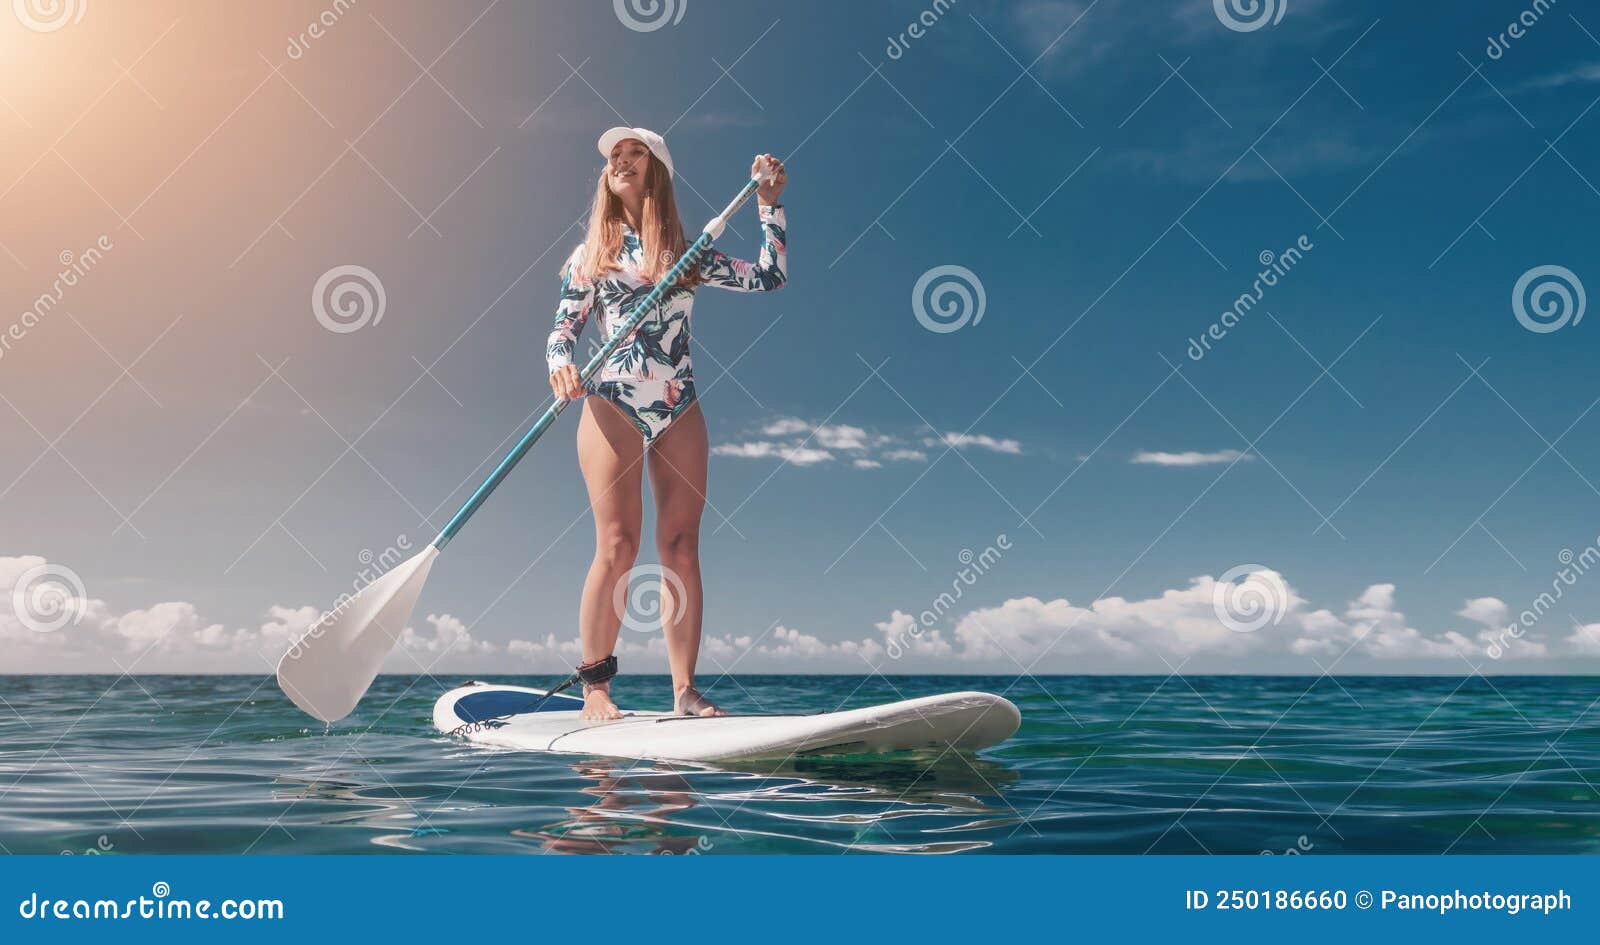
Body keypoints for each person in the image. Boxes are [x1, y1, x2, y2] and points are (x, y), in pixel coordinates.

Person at [546, 126, 787, 720]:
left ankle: (684, 691)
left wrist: (769, 206)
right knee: (619, 544)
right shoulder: (591, 256)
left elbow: (768, 276)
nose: (622, 162)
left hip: (679, 405)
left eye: (635, 154)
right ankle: (597, 689)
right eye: (614, 158)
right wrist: (560, 365)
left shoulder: (689, 253)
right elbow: (563, 329)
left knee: (680, 545)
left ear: (658, 171)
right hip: (612, 403)